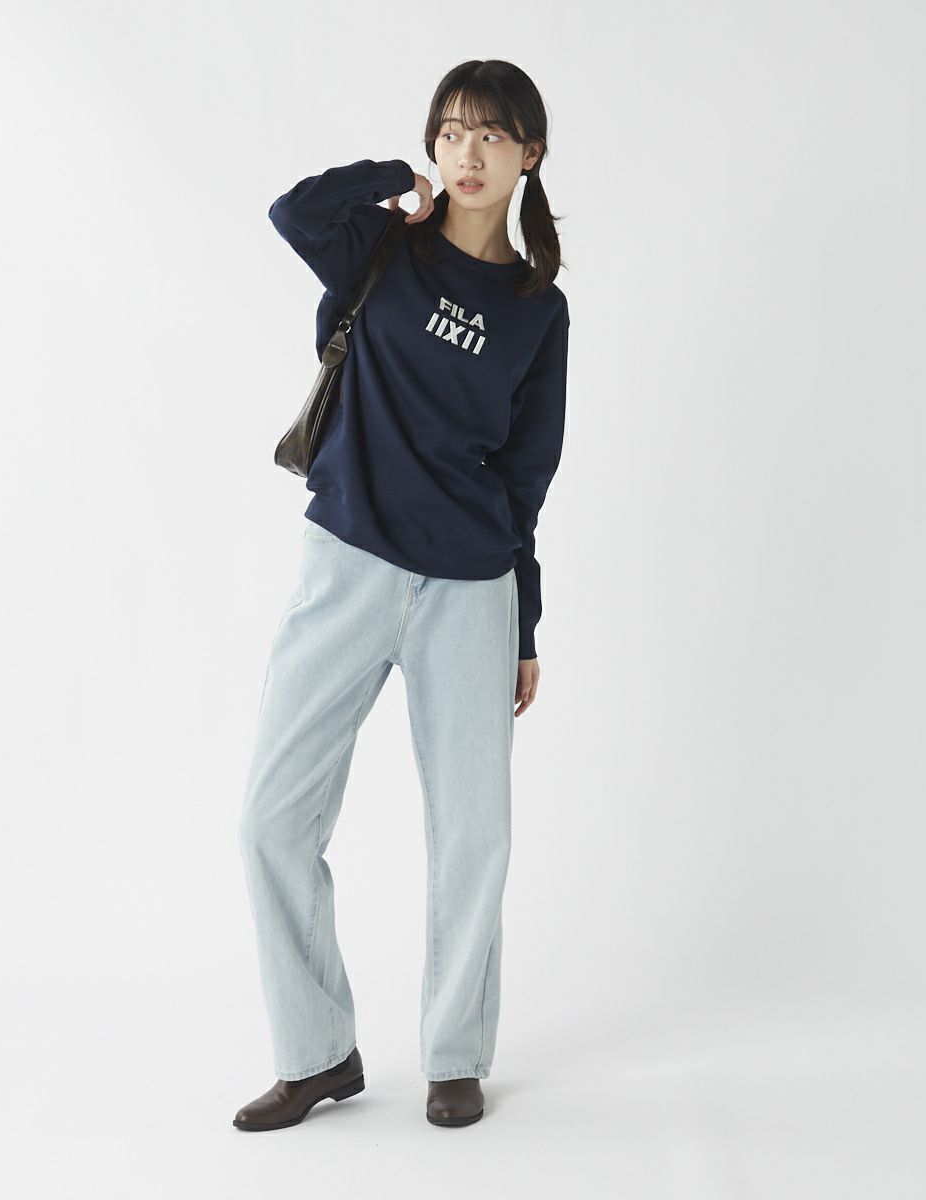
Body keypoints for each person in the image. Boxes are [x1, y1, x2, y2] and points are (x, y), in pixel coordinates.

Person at [234, 59, 570, 1131]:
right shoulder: (383, 246)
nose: (468, 153)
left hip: (470, 589)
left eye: (492, 135)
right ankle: (318, 1052)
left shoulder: (539, 311)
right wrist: (393, 179)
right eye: (451, 131)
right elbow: (293, 210)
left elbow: (525, 480)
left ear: (529, 153)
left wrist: (523, 622)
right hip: (348, 563)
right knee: (271, 819)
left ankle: (455, 1054)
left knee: (474, 836)